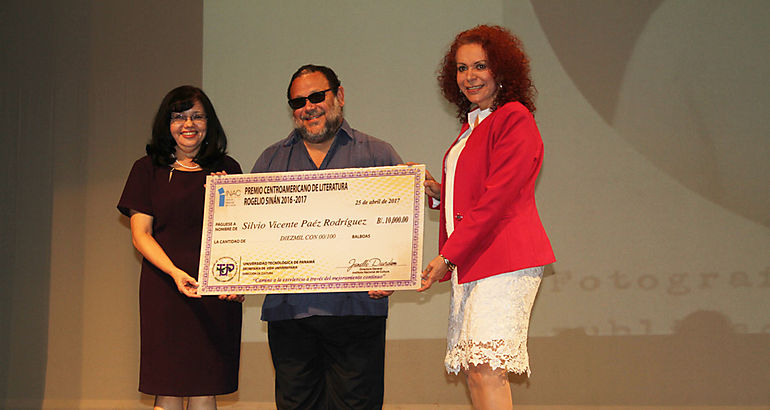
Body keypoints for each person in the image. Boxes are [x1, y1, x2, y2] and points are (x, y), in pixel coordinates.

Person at [418, 25, 556, 409]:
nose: (470, 76)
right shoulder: (471, 127)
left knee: (486, 366)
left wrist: (447, 256)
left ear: (502, 71)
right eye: (462, 69)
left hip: (504, 258)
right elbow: (476, 193)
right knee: (475, 371)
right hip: (475, 258)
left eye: (480, 66)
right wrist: (438, 194)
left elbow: (499, 199)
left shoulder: (514, 118)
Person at [251, 64, 402, 409]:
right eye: (298, 102)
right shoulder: (270, 161)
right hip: (289, 315)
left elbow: (396, 228)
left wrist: (394, 271)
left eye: (317, 96)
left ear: (340, 96)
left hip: (357, 310)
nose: (308, 107)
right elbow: (253, 233)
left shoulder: (377, 154)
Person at [118, 85, 244, 410]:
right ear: (167, 124)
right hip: (165, 290)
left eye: (196, 116)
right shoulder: (146, 170)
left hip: (214, 291)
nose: (188, 124)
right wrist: (175, 273)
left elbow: (242, 235)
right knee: (168, 388)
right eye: (179, 117)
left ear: (209, 123)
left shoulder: (227, 168)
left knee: (206, 389)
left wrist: (241, 280)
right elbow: (141, 235)